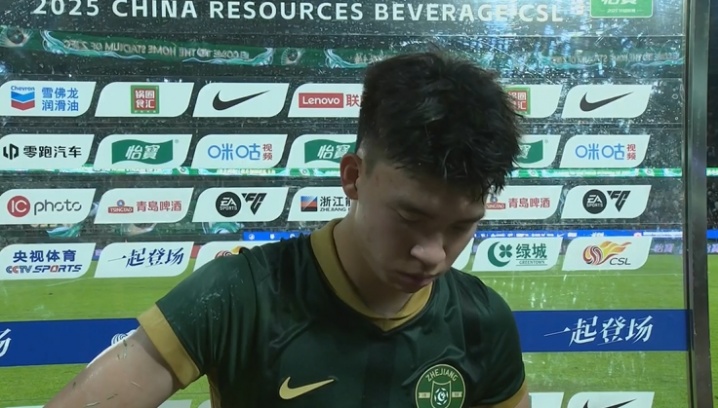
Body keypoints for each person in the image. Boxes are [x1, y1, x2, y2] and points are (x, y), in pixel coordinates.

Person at [46, 49, 529, 408]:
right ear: (353, 177)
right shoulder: (239, 294)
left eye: (461, 226)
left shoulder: (482, 322)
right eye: (410, 218)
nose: (434, 254)